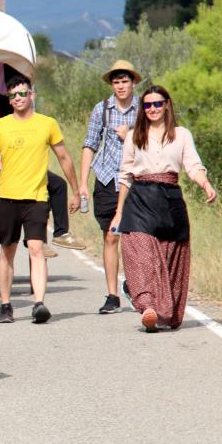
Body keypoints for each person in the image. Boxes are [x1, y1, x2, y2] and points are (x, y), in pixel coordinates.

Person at [110, 86, 216, 331]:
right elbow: (125, 176)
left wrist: (205, 184)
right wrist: (118, 212)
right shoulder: (133, 136)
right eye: (147, 105)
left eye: (157, 104)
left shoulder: (181, 134)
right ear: (142, 109)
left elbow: (193, 165)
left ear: (167, 104)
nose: (153, 109)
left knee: (170, 259)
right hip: (140, 199)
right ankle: (147, 306)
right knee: (141, 254)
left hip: (170, 199)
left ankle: (160, 311)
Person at [0, 76, 80, 324]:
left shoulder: (48, 124)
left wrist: (76, 188)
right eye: (13, 96)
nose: (18, 98)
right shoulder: (0, 126)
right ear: (9, 100)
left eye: (22, 93)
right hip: (7, 197)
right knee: (7, 251)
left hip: (36, 197)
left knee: (36, 249)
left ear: (31, 94)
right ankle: (5, 304)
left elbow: (64, 157)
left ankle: (39, 303)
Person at [79, 60, 141, 314]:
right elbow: (90, 144)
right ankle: (113, 294)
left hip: (134, 179)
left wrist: (130, 137)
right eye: (116, 82)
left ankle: (135, 285)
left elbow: (155, 141)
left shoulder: (144, 109)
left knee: (134, 235)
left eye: (125, 81)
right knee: (110, 235)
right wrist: (83, 182)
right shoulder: (102, 109)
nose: (121, 86)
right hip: (106, 179)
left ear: (133, 82)